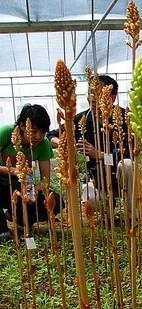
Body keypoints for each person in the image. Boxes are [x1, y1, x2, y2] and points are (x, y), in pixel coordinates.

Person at [48, 74, 132, 212]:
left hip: (120, 176)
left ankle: (132, 214)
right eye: (90, 93)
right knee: (90, 201)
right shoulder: (82, 119)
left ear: (112, 97)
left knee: (127, 164)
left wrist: (98, 154)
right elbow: (51, 135)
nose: (93, 98)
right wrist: (65, 143)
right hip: (97, 179)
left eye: (98, 93)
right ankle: (106, 209)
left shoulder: (123, 118)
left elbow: (128, 154)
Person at [0, 104, 60, 238]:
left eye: (42, 132)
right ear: (22, 126)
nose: (38, 136)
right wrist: (13, 171)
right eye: (33, 132)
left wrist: (33, 191)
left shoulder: (43, 144)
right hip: (2, 182)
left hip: (21, 187)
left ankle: (20, 221)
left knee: (55, 200)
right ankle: (2, 231)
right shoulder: (6, 133)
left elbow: (45, 181)